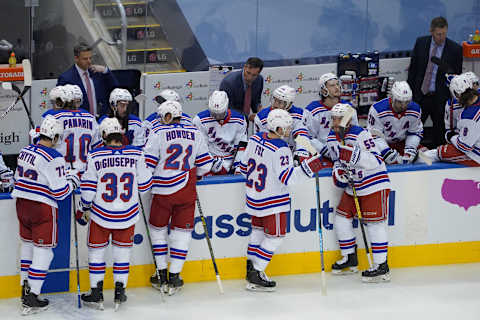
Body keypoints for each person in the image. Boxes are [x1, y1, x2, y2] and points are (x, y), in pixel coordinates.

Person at [239, 108, 323, 291]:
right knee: (276, 237)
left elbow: (243, 166)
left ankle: (250, 267)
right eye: (285, 128)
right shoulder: (281, 148)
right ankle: (256, 270)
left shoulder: (254, 138)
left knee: (257, 234)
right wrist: (309, 168)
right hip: (272, 201)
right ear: (277, 127)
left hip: (254, 198)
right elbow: (289, 179)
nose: (288, 131)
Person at [77, 117, 152, 310]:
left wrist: (84, 207)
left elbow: (88, 190)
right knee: (122, 254)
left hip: (101, 214)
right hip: (127, 215)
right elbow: (145, 186)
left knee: (96, 253)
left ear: (104, 135)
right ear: (121, 133)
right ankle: (120, 293)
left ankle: (96, 292)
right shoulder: (137, 154)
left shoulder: (95, 155)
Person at [143, 100, 213, 295]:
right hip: (187, 191)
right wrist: (194, 176)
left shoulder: (158, 134)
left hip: (162, 191)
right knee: (182, 234)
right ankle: (175, 276)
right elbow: (206, 166)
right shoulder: (195, 133)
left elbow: (147, 166)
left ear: (167, 116)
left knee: (157, 231)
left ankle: (161, 272)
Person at [12, 116, 79, 315]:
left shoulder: (25, 150)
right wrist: (73, 180)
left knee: (27, 246)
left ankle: (24, 286)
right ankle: (32, 295)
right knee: (44, 251)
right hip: (41, 207)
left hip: (21, 205)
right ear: (55, 136)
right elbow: (61, 192)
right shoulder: (54, 157)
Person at [327, 104, 391, 282]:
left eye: (338, 118)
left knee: (375, 225)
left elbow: (376, 161)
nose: (335, 122)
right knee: (341, 217)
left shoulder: (361, 134)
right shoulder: (332, 137)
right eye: (333, 118)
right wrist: (338, 171)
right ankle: (350, 257)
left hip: (373, 183)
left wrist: (355, 156)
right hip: (354, 184)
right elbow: (338, 160)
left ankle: (381, 266)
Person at [407, 16, 463, 148]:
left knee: (439, 134)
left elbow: (457, 77)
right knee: (414, 132)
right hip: (420, 96)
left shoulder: (455, 49)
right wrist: (411, 94)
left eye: (444, 33)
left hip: (440, 99)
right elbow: (413, 70)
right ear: (431, 31)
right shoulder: (421, 43)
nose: (441, 37)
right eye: (438, 34)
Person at [39, 85, 100, 173]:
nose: (53, 106)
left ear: (62, 102)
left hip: (60, 173)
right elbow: (97, 148)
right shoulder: (90, 117)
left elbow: (42, 147)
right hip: (85, 174)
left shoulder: (52, 117)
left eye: (55, 102)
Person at [304, 72, 358, 165]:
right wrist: (323, 150)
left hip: (344, 155)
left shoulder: (349, 108)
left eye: (337, 84)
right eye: (332, 85)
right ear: (324, 90)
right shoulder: (312, 110)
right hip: (322, 156)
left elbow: (355, 133)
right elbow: (305, 138)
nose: (337, 87)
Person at [422, 84, 480, 167]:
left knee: (436, 153)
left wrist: (451, 137)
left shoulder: (469, 116)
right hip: (474, 142)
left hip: (476, 156)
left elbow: (464, 146)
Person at [367, 81, 424, 164]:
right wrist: (386, 152)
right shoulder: (377, 109)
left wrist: (410, 150)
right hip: (382, 145)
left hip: (402, 144)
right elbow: (374, 135)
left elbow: (415, 132)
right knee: (373, 162)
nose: (403, 106)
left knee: (426, 157)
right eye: (400, 102)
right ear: (392, 97)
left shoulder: (415, 109)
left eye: (407, 102)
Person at [254, 85, 313, 164]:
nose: (275, 104)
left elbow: (301, 135)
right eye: (274, 100)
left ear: (289, 104)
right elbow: (262, 143)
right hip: (272, 154)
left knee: (313, 143)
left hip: (294, 152)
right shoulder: (261, 117)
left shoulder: (300, 114)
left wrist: (301, 152)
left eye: (280, 102)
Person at [193, 90, 247, 175]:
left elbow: (241, 146)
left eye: (220, 114)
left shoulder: (239, 120)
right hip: (210, 161)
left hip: (231, 161)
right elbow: (201, 147)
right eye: (214, 114)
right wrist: (212, 162)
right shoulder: (199, 120)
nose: (217, 117)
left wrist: (238, 166)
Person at [57, 42, 118, 117]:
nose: (89, 61)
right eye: (85, 59)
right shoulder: (66, 78)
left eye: (90, 58)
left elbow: (115, 89)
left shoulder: (97, 72)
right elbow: (60, 104)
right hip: (80, 121)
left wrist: (106, 71)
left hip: (100, 120)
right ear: (76, 58)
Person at [219, 57, 264, 122]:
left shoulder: (259, 80)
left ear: (258, 73)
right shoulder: (228, 83)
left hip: (246, 121)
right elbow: (228, 109)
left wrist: (259, 109)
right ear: (245, 67)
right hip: (230, 122)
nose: (250, 78)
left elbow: (256, 101)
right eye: (248, 73)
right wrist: (248, 116)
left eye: (254, 75)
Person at [444, 74, 471, 143]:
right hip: (462, 141)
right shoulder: (451, 105)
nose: (464, 97)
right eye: (459, 94)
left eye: (466, 92)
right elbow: (450, 131)